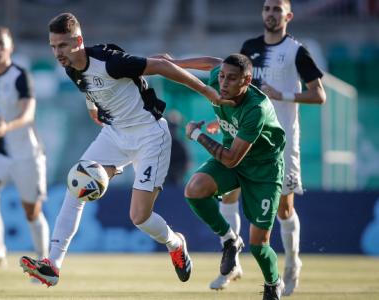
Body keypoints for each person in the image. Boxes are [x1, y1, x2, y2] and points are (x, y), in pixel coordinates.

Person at [19, 12, 233, 287]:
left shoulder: (111, 61)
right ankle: (53, 265)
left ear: (79, 41)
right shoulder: (70, 66)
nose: (57, 52)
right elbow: (89, 87)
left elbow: (161, 67)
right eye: (53, 46)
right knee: (77, 185)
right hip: (115, 135)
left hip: (150, 136)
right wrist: (93, 105)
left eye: (62, 45)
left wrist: (206, 91)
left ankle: (176, 243)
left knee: (139, 217)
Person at [210, 0, 326, 295]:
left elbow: (319, 95)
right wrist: (222, 118)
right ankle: (233, 261)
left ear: (289, 16)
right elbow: (232, 85)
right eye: (267, 8)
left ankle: (292, 264)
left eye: (277, 9)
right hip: (245, 133)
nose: (271, 14)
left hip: (280, 140)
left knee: (285, 209)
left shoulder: (297, 51)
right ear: (262, 14)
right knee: (228, 194)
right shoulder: (249, 46)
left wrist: (284, 94)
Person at [166, 53, 286, 299]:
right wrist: (174, 63)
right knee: (194, 188)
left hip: (264, 170)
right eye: (222, 77)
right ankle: (230, 239)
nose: (223, 83)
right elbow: (211, 62)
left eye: (232, 79)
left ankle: (274, 283)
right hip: (234, 161)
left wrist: (197, 134)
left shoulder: (257, 108)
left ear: (247, 80)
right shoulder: (219, 80)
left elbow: (232, 158)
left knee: (259, 245)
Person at [0, 26, 50, 276]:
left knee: (31, 211)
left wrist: (7, 126)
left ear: (10, 47)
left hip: (27, 151)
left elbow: (28, 115)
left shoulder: (20, 75)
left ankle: (44, 263)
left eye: (2, 43)